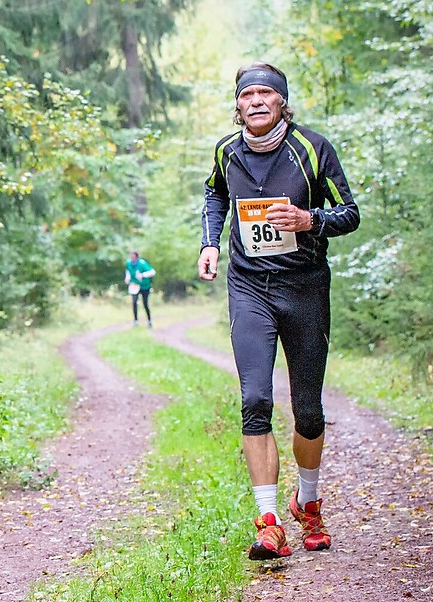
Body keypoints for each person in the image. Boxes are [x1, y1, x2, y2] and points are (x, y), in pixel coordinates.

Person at [196, 63, 360, 560]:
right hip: (249, 287)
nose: (257, 101)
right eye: (248, 95)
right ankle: (268, 522)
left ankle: (307, 506)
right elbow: (215, 194)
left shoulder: (312, 147)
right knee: (255, 399)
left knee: (308, 410)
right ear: (238, 105)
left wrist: (309, 219)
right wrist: (210, 243)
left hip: (304, 286)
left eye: (267, 93)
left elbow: (349, 213)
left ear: (282, 102)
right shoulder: (227, 151)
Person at [124, 251, 156, 328]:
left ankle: (149, 321)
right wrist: (127, 278)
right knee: (134, 302)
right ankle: (136, 321)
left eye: (133, 257)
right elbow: (128, 271)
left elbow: (152, 272)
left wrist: (143, 275)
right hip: (134, 285)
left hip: (144, 286)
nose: (132, 258)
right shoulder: (128, 263)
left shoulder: (142, 263)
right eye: (131, 256)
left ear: (136, 257)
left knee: (145, 304)